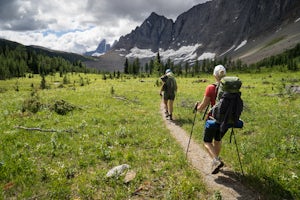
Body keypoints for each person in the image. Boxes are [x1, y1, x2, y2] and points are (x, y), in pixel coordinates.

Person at [195, 65, 227, 174]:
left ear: (214, 75)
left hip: (213, 119)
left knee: (207, 141)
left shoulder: (211, 88)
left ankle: (216, 160)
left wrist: (197, 108)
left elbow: (203, 106)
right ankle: (216, 161)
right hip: (226, 120)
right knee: (217, 140)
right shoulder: (229, 88)